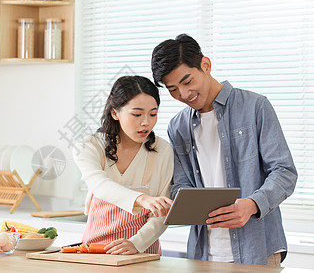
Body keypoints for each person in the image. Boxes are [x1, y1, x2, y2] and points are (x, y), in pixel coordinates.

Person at [150, 34, 298, 266]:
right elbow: (180, 184)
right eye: (173, 89)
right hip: (203, 254)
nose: (183, 94)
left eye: (187, 82)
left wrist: (251, 204)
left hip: (258, 250)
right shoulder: (177, 126)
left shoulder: (255, 107)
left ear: (205, 65)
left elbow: (284, 172)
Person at [73, 75, 174, 255]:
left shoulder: (163, 150)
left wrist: (136, 243)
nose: (146, 122)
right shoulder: (89, 146)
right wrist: (142, 199)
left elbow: (162, 213)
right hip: (97, 252)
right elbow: (100, 185)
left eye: (153, 114)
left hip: (142, 253)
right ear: (114, 113)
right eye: (136, 114)